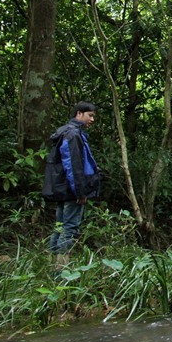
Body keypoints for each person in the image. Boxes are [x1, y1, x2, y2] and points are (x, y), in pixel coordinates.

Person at [46, 101, 101, 257]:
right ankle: (61, 271)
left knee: (60, 226)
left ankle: (52, 267)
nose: (92, 120)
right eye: (90, 116)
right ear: (79, 113)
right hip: (71, 191)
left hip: (63, 188)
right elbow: (73, 165)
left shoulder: (67, 132)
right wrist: (80, 192)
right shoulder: (73, 134)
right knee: (69, 228)